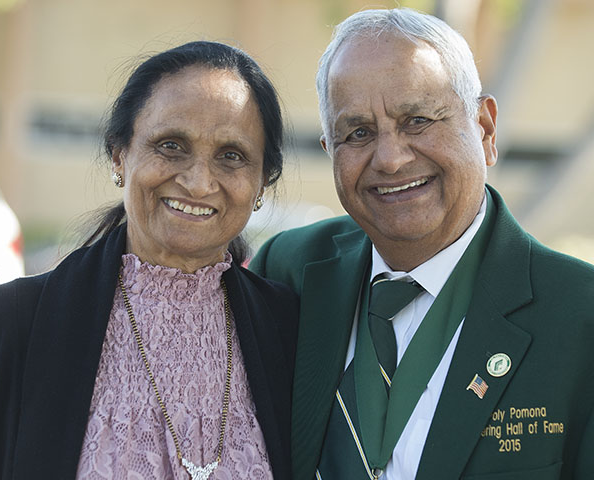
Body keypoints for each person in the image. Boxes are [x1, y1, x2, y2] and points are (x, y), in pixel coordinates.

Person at [250, 8, 594, 480]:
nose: (390, 159)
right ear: (332, 152)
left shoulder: (581, 316)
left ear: (486, 129)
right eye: (358, 133)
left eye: (418, 120)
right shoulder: (289, 271)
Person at [0, 41, 298, 480]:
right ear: (120, 155)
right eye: (171, 145)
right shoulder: (13, 323)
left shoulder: (291, 331)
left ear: (262, 184)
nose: (197, 182)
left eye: (231, 156)